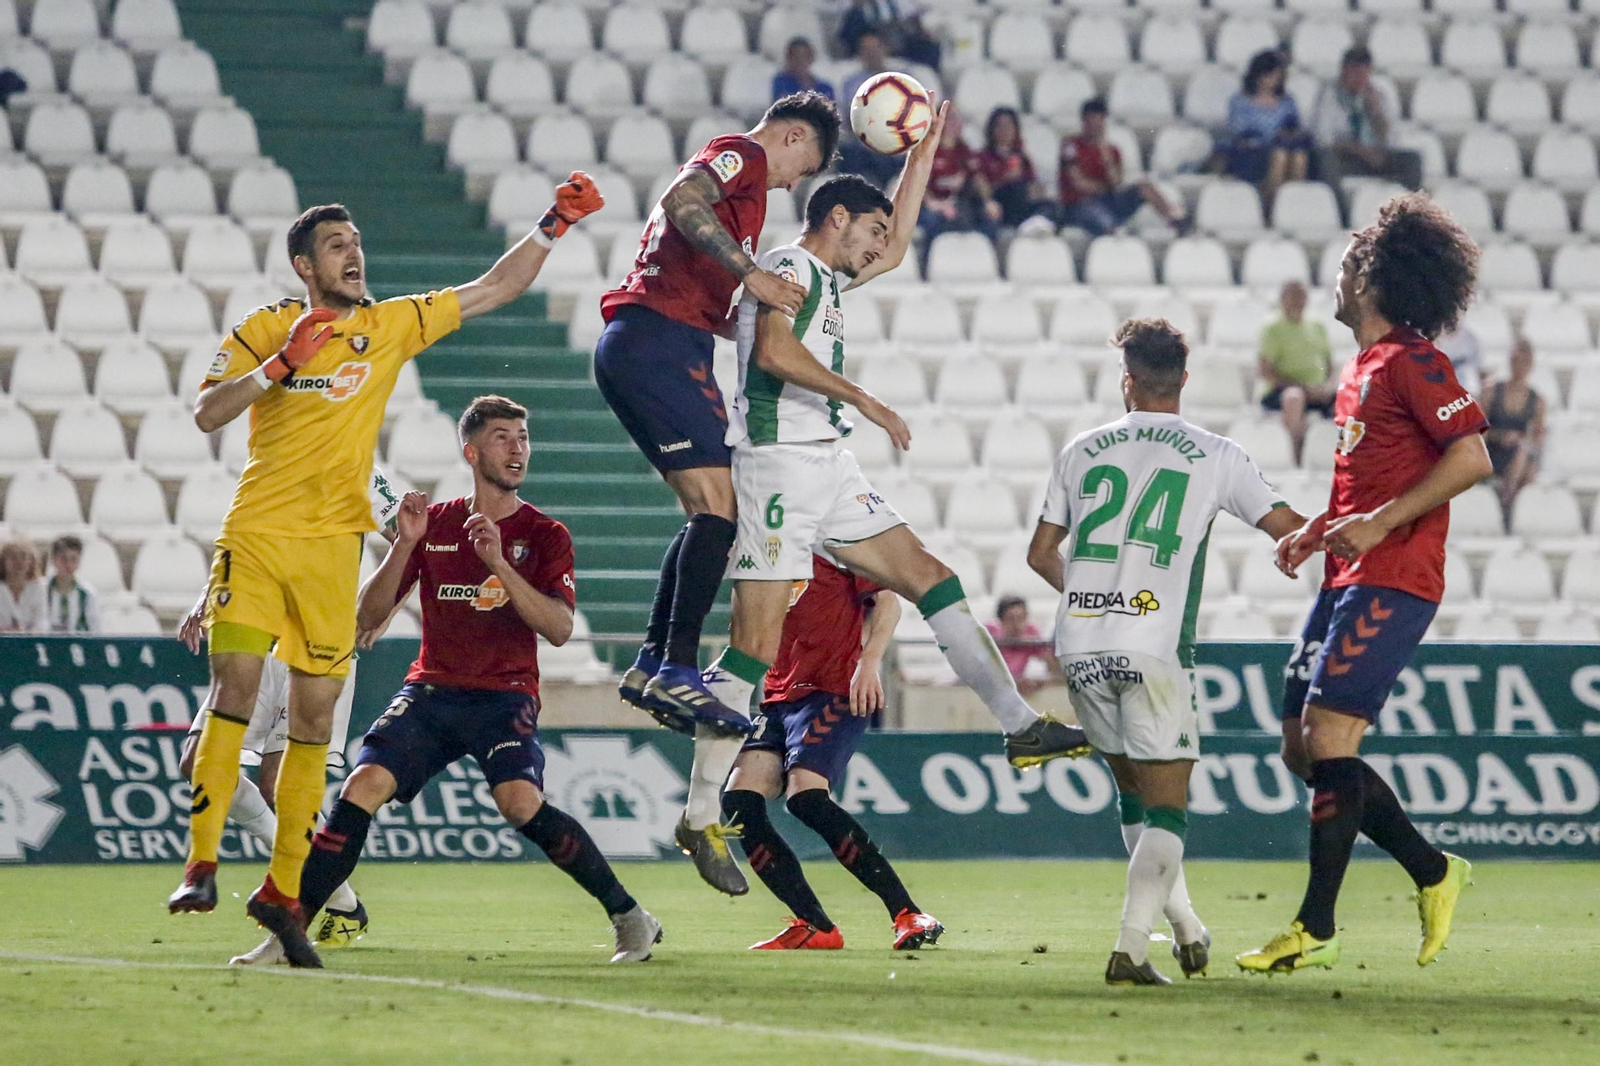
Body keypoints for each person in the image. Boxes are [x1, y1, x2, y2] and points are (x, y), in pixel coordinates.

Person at [168, 176, 605, 941]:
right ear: (305, 265)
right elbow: (207, 411)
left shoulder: (392, 324)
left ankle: (286, 889)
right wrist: (275, 368)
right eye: (338, 246)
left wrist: (553, 224)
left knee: (311, 725)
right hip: (260, 535)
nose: (355, 256)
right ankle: (199, 868)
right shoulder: (267, 326)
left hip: (334, 551)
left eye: (358, 244)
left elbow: (496, 286)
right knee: (234, 691)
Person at [684, 110, 1091, 896]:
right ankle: (701, 809)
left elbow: (902, 240)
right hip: (775, 466)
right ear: (835, 218)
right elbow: (772, 350)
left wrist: (925, 150)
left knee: (932, 577)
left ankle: (1019, 727)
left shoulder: (833, 277)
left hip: (826, 464)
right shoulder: (789, 267)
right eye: (868, 229)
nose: (880, 245)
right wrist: (862, 398)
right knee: (752, 648)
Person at [273, 396, 661, 969]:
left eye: (523, 438)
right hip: (431, 691)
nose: (517, 448)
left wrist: (501, 564)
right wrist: (404, 542)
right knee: (361, 787)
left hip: (503, 695)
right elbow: (368, 615)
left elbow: (558, 628)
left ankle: (631, 918)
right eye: (503, 437)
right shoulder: (437, 526)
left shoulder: (544, 534)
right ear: (470, 451)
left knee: (520, 803)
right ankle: (289, 936)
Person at [1238, 193, 1487, 975]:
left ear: (1376, 281)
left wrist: (1380, 524)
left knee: (1330, 736)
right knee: (1299, 746)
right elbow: (1370, 482)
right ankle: (1433, 869)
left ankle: (1316, 924)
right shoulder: (1361, 370)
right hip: (1345, 574)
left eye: (1348, 268)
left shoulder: (1415, 361)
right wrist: (1324, 525)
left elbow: (1473, 456)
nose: (1337, 281)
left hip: (1396, 575)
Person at [1027, 318, 1308, 985]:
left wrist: (1097, 597)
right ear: (1183, 379)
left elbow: (1040, 554)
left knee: (1135, 796)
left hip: (1081, 646)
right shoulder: (1216, 454)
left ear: (1125, 381)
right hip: (1154, 646)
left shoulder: (1082, 450)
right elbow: (1287, 529)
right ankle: (1130, 948)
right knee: (1170, 807)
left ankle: (1184, 926)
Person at [596, 92, 839, 736]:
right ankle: (676, 667)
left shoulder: (749, 181)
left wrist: (757, 319)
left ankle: (654, 663)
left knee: (710, 507)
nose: (792, 184)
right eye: (802, 167)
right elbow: (683, 201)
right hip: (658, 341)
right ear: (790, 137)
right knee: (720, 508)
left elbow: (706, 283)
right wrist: (751, 273)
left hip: (658, 339)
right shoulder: (742, 156)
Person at [176, 464, 404, 964]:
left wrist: (381, 611)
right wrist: (207, 597)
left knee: (280, 782)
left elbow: (411, 539)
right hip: (255, 631)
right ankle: (342, 901)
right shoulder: (275, 457)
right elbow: (248, 542)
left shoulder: (360, 467)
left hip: (315, 642)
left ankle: (326, 901)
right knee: (195, 762)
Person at [722, 552, 944, 951]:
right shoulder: (757, 554)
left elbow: (887, 601)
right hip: (778, 697)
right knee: (739, 800)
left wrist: (869, 662)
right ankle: (815, 925)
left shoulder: (834, 544)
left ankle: (908, 913)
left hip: (835, 688)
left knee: (806, 798)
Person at [1308, 47, 1422, 199]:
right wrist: (1360, 151)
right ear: (1344, 70)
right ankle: (1341, 211)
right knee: (1327, 160)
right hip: (1346, 158)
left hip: (1375, 156)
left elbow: (1390, 138)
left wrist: (1376, 112)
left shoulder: (1378, 95)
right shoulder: (1329, 96)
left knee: (1412, 159)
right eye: (1355, 73)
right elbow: (1324, 139)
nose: (1359, 79)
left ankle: (1413, 209)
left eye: (1364, 73)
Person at [1059, 98, 1184, 236]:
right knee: (1103, 221)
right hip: (1079, 204)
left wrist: (1105, 156)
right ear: (1084, 121)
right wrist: (1104, 188)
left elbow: (1116, 182)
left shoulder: (1111, 150)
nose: (1096, 125)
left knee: (1145, 188)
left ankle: (1175, 221)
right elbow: (1078, 183)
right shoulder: (1071, 145)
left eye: (1099, 120)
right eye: (1092, 120)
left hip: (1105, 200)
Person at [1259, 281, 1336, 466]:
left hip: (1316, 390)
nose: (1296, 302)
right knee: (1294, 398)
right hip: (1283, 391)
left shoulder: (1317, 326)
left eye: (1300, 296)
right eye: (1292, 296)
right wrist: (1302, 387)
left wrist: (1326, 387)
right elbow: (1266, 371)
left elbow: (1329, 365)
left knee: (1350, 397)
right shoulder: (1272, 328)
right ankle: (1296, 458)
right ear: (1282, 300)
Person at [1225, 51, 1310, 205]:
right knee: (1279, 158)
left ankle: (1294, 203)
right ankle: (1271, 203)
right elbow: (1239, 129)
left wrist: (1288, 134)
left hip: (1283, 146)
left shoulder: (1287, 101)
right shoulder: (1240, 101)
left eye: (1277, 76)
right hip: (1253, 152)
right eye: (1269, 75)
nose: (1272, 81)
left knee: (1299, 158)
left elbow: (1294, 125)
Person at [920, 103, 1000, 248]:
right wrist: (934, 204)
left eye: (958, 119)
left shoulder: (964, 151)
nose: (955, 123)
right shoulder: (927, 150)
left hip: (960, 204)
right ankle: (929, 262)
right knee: (932, 220)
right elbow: (919, 184)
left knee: (990, 218)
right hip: (933, 206)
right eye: (951, 118)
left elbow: (978, 179)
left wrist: (988, 201)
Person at [1483, 337, 1545, 516]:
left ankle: (1507, 497)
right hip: (1493, 449)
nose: (1519, 366)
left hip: (1518, 456)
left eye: (1524, 362)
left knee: (1523, 452)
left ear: (1531, 364)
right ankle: (1507, 502)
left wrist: (1521, 440)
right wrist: (1501, 436)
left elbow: (1538, 439)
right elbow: (1478, 429)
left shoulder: (1537, 400)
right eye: (1515, 360)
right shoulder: (1492, 391)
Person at [837, 32, 903, 190]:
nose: (871, 53)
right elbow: (848, 118)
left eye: (875, 48)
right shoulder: (850, 83)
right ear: (860, 54)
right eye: (866, 49)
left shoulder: (902, 80)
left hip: (894, 142)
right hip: (862, 144)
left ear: (885, 49)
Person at [975, 107, 1053, 229]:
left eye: (1008, 126)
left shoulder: (1022, 157)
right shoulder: (982, 157)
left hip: (1021, 204)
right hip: (1000, 203)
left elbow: (1032, 184)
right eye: (999, 126)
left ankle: (1033, 224)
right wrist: (1005, 179)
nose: (1004, 130)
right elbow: (982, 189)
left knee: (1050, 206)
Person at [985, 595, 1056, 697]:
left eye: (1021, 618)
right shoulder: (990, 633)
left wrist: (1041, 682)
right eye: (1011, 619)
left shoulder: (1031, 633)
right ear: (1001, 620)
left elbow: (1052, 665)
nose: (1017, 624)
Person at [838, 0, 940, 70]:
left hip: (902, 45)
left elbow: (913, 23)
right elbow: (847, 35)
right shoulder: (856, 9)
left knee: (931, 46)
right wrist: (857, 6)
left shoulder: (901, 4)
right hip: (871, 41)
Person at [44, 535, 100, 634]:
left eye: (73, 559)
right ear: (53, 560)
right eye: (63, 559)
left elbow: (95, 628)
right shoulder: (43, 590)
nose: (68, 565)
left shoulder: (87, 593)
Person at [0, 538, 45, 633]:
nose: (18, 561)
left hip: (30, 642)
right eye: (13, 557)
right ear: (3, 561)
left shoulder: (39, 587)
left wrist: (31, 632)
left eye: (23, 556)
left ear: (31, 561)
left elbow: (42, 620)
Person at [772, 37, 834, 102]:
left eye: (805, 56)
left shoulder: (825, 88)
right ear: (788, 58)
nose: (801, 61)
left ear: (812, 57)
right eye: (796, 57)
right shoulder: (782, 83)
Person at [1435, 321, 1485, 395]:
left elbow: (1480, 370)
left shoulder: (1470, 337)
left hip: (1469, 391)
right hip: (1443, 393)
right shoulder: (1433, 337)